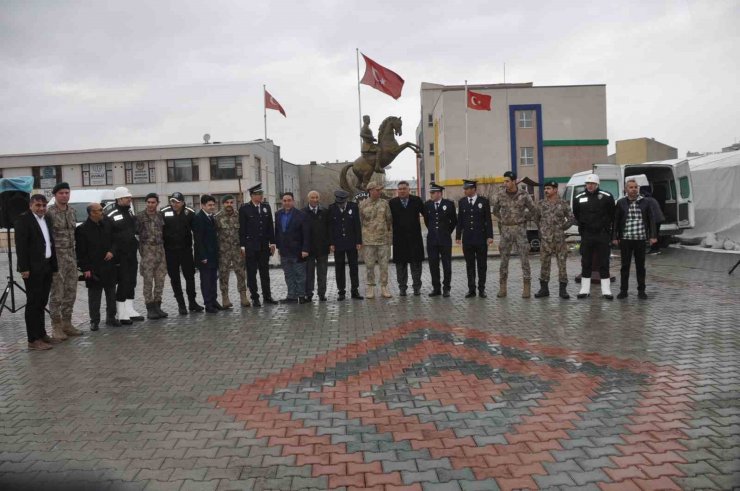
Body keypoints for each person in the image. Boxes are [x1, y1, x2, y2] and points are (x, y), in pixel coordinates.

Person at [14, 194, 58, 350]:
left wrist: (53, 265)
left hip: (46, 266)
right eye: (38, 205)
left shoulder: (46, 219)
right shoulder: (24, 220)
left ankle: (42, 333)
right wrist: (24, 268)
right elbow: (21, 246)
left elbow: (50, 243)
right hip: (32, 269)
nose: (41, 208)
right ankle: (33, 339)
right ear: (31, 205)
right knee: (33, 303)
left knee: (42, 302)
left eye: (43, 205)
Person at [492, 171, 537, 298]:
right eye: (504, 181)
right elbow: (495, 210)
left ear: (513, 181)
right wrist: (503, 219)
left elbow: (534, 210)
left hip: (520, 231)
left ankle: (527, 287)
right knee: (503, 260)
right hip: (506, 231)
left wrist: (524, 217)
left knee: (524, 259)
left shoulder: (523, 195)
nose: (505, 183)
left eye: (507, 181)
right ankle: (502, 288)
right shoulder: (500, 195)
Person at [75, 202, 119, 331]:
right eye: (99, 210)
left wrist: (112, 251)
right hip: (93, 268)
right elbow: (80, 251)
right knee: (94, 297)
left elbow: (115, 241)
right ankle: (94, 321)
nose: (102, 212)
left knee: (111, 294)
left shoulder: (107, 224)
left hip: (109, 265)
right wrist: (85, 268)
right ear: (91, 213)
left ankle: (111, 318)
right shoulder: (82, 229)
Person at [613, 177, 658, 299]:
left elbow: (651, 220)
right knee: (625, 266)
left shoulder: (646, 202)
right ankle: (623, 290)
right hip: (626, 239)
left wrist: (653, 235)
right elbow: (616, 221)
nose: (633, 189)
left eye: (635, 187)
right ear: (626, 189)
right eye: (631, 187)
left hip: (640, 239)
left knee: (640, 266)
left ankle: (641, 291)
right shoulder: (621, 203)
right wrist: (614, 237)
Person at [47, 182, 81, 340]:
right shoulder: (49, 213)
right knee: (57, 293)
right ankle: (56, 326)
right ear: (55, 195)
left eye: (67, 192)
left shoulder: (72, 212)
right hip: (57, 257)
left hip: (70, 256)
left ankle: (67, 323)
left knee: (71, 292)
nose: (65, 195)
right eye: (61, 193)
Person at [572, 174, 616, 300]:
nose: (590, 186)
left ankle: (606, 290)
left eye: (592, 184)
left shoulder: (607, 197)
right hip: (587, 234)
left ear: (597, 184)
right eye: (588, 183)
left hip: (602, 234)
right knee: (586, 262)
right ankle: (585, 290)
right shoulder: (579, 197)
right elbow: (576, 214)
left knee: (604, 262)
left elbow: (612, 214)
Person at [161, 192, 203, 314]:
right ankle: (181, 304)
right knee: (175, 279)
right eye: (172, 201)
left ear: (183, 202)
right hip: (170, 251)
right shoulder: (164, 212)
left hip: (186, 251)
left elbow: (196, 232)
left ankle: (192, 302)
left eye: (177, 202)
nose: (174, 204)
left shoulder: (189, 212)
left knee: (190, 277)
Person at [107, 187, 143, 324]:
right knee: (123, 282)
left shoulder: (129, 212)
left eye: (129, 197)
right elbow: (110, 236)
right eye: (127, 197)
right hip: (120, 255)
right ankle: (121, 313)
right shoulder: (111, 215)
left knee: (132, 281)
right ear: (119, 199)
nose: (130, 199)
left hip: (131, 253)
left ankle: (129, 309)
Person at [534, 181, 575, 299]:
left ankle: (563, 290)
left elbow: (571, 218)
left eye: (549, 188)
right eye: (545, 188)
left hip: (559, 240)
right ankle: (544, 289)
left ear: (555, 190)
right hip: (546, 240)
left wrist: (562, 228)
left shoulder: (563, 203)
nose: (546, 190)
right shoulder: (541, 204)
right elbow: (536, 218)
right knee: (544, 264)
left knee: (562, 264)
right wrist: (542, 229)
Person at [239, 183, 278, 306]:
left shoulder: (266, 207)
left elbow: (270, 227)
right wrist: (243, 246)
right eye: (257, 194)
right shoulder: (244, 209)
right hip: (250, 247)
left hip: (263, 246)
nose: (260, 196)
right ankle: (255, 297)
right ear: (251, 196)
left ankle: (267, 296)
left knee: (265, 273)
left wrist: (272, 243)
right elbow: (242, 229)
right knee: (251, 273)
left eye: (261, 194)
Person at [456, 179, 494, 298]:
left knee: (482, 265)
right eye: (464, 189)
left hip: (481, 238)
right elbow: (460, 221)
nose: (465, 191)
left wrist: (489, 236)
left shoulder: (483, 201)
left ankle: (481, 289)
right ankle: (471, 289)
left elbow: (488, 220)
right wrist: (458, 236)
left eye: (467, 189)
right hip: (467, 239)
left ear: (474, 189)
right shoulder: (462, 202)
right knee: (470, 265)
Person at [389, 180, 425, 296]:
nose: (402, 191)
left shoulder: (417, 201)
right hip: (399, 240)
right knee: (401, 266)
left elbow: (427, 215)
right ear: (397, 191)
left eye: (404, 188)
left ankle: (416, 287)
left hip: (414, 239)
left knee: (416, 265)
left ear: (409, 189)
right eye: (400, 189)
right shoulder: (392, 203)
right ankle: (402, 288)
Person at [274, 192, 311, 303]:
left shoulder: (301, 215)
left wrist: (305, 249)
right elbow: (278, 232)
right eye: (284, 200)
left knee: (300, 275)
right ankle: (291, 296)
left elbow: (306, 234)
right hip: (284, 251)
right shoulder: (278, 214)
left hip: (298, 251)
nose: (287, 202)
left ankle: (301, 295)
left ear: (293, 201)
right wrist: (278, 247)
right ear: (282, 202)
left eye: (289, 200)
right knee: (288, 275)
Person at [136, 193, 168, 320]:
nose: (150, 205)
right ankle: (150, 308)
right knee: (148, 281)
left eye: (153, 202)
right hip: (147, 251)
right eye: (148, 202)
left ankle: (158, 306)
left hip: (160, 251)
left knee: (160, 280)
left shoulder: (161, 216)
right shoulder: (139, 217)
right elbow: (135, 234)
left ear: (157, 203)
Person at [215, 195, 250, 309]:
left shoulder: (239, 216)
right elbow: (214, 235)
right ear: (223, 204)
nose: (229, 204)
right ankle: (225, 298)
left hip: (237, 250)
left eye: (231, 202)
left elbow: (244, 232)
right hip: (223, 251)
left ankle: (243, 296)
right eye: (227, 203)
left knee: (240, 273)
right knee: (224, 274)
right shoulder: (217, 217)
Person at [359, 181, 393, 298]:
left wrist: (388, 237)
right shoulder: (362, 204)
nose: (379, 192)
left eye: (380, 190)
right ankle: (370, 287)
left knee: (384, 265)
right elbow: (360, 222)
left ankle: (384, 286)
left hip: (382, 240)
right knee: (369, 265)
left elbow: (389, 220)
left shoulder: (384, 204)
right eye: (377, 190)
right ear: (370, 191)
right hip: (368, 241)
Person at [423, 182, 457, 297]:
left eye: (433, 193)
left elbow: (454, 221)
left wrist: (446, 232)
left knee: (446, 264)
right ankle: (436, 288)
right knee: (433, 264)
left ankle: (446, 288)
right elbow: (427, 221)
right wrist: (434, 231)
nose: (431, 195)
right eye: (431, 193)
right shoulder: (427, 205)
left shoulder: (449, 204)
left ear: (439, 193)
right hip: (432, 240)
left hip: (445, 239)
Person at [328, 190, 363, 301]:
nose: (340, 204)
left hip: (351, 242)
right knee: (339, 268)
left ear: (346, 200)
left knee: (354, 267)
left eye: (342, 202)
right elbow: (330, 228)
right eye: (338, 202)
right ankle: (341, 291)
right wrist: (331, 243)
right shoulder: (332, 208)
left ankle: (354, 290)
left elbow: (357, 225)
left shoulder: (354, 207)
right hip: (338, 243)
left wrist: (358, 241)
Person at [193, 195, 220, 313]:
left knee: (213, 279)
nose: (212, 207)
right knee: (206, 281)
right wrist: (203, 256)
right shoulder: (199, 218)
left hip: (213, 254)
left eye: (213, 205)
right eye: (209, 205)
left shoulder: (211, 217)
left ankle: (214, 301)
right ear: (202, 205)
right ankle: (208, 304)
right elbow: (198, 239)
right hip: (205, 256)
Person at [303, 190, 330, 302]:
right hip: (308, 249)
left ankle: (321, 294)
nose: (314, 200)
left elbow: (329, 230)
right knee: (309, 274)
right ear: (308, 199)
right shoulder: (303, 212)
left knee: (322, 273)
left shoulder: (325, 212)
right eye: (312, 198)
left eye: (316, 198)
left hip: (322, 248)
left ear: (319, 199)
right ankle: (308, 293)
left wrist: (330, 244)